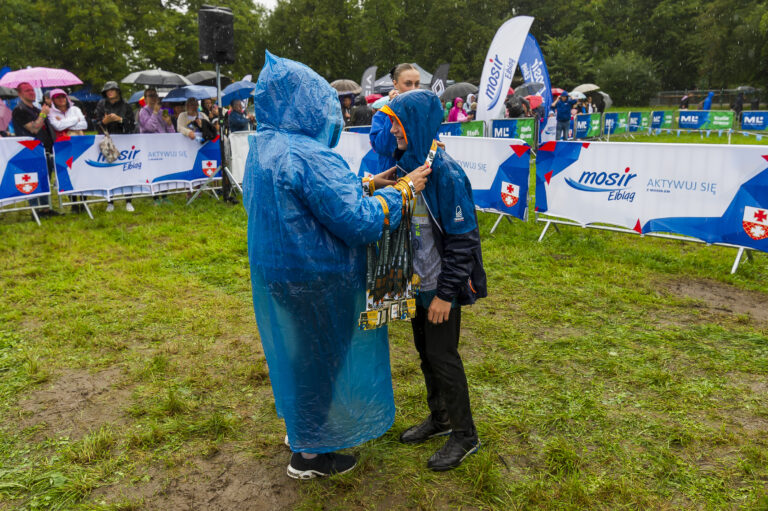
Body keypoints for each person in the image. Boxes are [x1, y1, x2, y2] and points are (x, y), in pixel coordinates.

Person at [243, 51, 432, 479]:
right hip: (318, 278)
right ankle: (311, 456)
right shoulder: (310, 154)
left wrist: (367, 183)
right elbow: (360, 222)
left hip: (280, 274)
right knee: (320, 359)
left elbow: (310, 196)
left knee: (301, 355)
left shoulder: (265, 147)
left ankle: (302, 429)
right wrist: (402, 190)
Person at [380, 89, 486, 471]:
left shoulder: (446, 173)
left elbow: (463, 242)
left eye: (398, 122)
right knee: (426, 354)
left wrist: (445, 294)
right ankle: (440, 419)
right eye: (392, 122)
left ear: (418, 124)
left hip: (441, 289)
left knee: (444, 357)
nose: (393, 130)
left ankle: (465, 435)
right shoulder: (407, 168)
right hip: (416, 285)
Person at [12, 82, 56, 214]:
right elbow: (34, 129)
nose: (31, 92)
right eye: (27, 91)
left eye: (32, 90)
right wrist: (43, 114)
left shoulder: (36, 109)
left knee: (45, 179)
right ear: (20, 94)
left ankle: (45, 208)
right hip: (30, 150)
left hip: (44, 149)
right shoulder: (19, 110)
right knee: (33, 180)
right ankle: (36, 210)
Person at [369, 63, 421, 173]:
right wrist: (393, 111)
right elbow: (382, 147)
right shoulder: (381, 115)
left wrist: (438, 149)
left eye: (417, 84)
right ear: (395, 84)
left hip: (419, 177)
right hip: (390, 177)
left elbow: (432, 147)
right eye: (408, 84)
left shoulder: (423, 113)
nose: (413, 89)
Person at [95, 81, 136, 212]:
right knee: (108, 171)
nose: (110, 92)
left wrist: (120, 120)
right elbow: (96, 124)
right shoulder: (101, 105)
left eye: (112, 89)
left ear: (118, 91)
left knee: (126, 171)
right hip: (108, 141)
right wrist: (104, 122)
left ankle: (128, 201)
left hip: (124, 140)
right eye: (107, 90)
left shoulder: (126, 105)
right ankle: (110, 202)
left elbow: (132, 125)